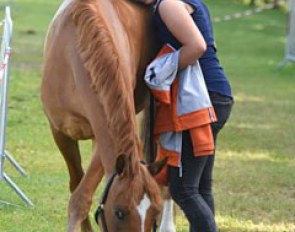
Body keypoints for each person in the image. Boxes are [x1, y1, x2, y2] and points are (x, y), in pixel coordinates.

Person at [137, 0, 234, 231]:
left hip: (201, 100)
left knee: (184, 190)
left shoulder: (167, 4)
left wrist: (163, 68)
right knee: (200, 187)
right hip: (217, 96)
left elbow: (197, 46)